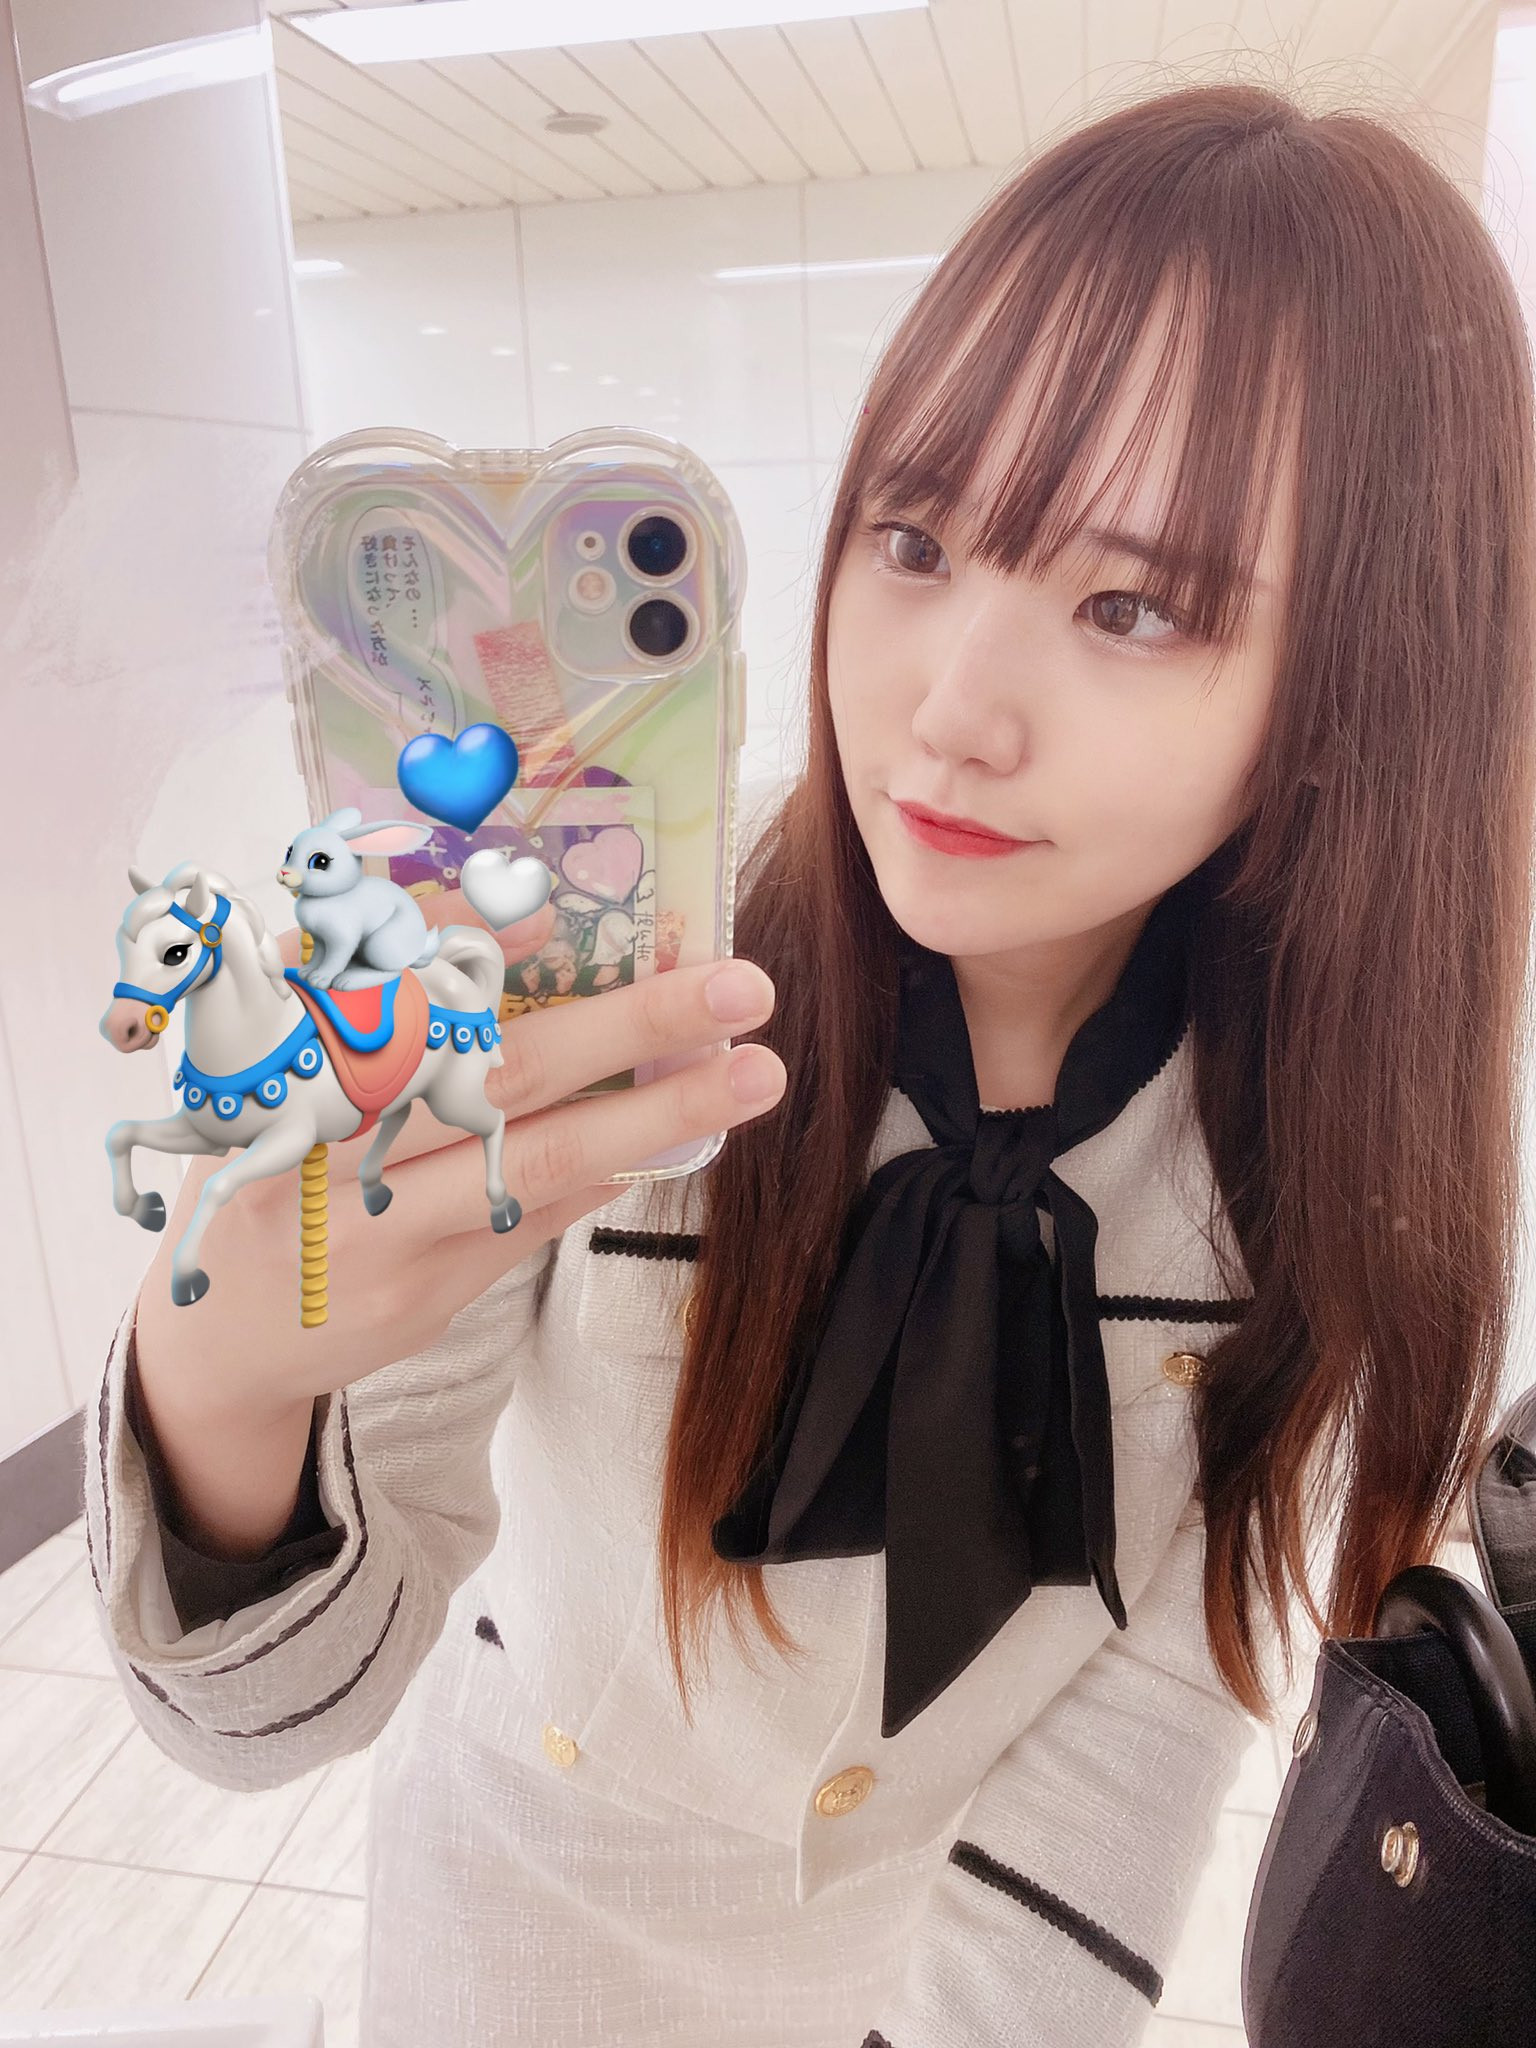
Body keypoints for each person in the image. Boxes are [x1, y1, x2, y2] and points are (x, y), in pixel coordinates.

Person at [84, 77, 1536, 2048]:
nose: (949, 709)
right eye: (915, 537)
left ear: (1360, 689)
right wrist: (221, 1386)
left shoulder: (1298, 1157)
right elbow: (267, 1712)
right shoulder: (617, 999)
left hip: (897, 1988)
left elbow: (1140, 1742)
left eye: (1128, 604)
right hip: (505, 1945)